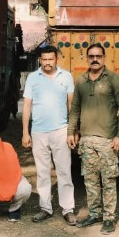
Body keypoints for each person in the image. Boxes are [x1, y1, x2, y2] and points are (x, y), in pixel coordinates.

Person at [68, 43, 119, 234]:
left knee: (108, 180)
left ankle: (109, 218)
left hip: (107, 140)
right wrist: (71, 131)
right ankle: (95, 213)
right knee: (90, 180)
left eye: (98, 56)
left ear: (104, 58)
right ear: (87, 58)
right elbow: (75, 108)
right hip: (86, 140)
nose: (95, 59)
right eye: (91, 56)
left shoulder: (114, 80)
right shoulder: (81, 81)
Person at [21, 45, 76, 225]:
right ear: (40, 60)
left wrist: (72, 131)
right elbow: (27, 106)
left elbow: (71, 105)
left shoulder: (66, 76)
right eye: (44, 59)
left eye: (50, 59)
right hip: (38, 132)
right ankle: (45, 208)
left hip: (61, 131)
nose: (47, 63)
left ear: (56, 59)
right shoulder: (32, 78)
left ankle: (68, 209)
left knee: (64, 171)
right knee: (42, 172)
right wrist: (25, 133)